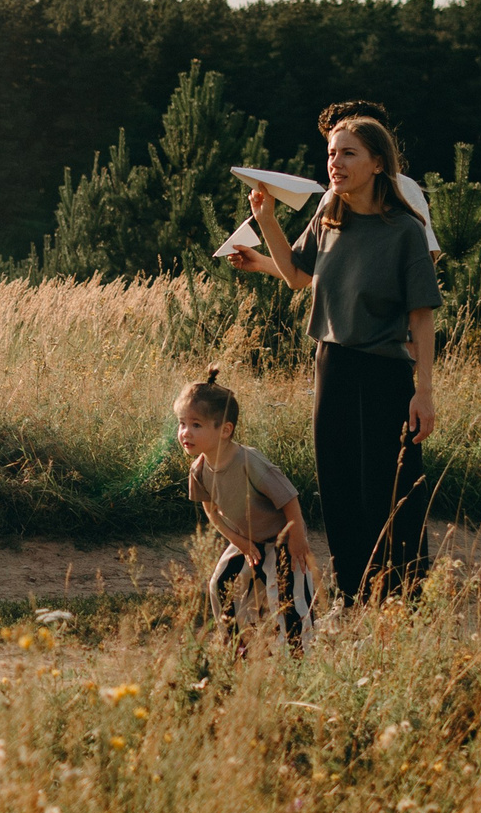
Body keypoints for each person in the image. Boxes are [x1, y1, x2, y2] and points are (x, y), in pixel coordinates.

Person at [226, 110, 442, 602]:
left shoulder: (405, 231)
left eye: (348, 153)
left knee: (390, 490)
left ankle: (403, 600)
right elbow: (297, 276)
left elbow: (422, 315)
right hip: (332, 366)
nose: (335, 163)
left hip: (386, 372)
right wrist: (266, 219)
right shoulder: (328, 216)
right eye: (331, 153)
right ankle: (353, 596)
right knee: (339, 487)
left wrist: (424, 392)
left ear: (378, 163)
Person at [176, 367, 314, 647]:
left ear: (225, 430)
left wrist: (297, 539)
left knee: (287, 600)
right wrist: (240, 542)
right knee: (222, 585)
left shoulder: (249, 462)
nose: (185, 432)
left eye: (196, 425)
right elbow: (212, 513)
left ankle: (300, 657)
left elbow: (289, 498)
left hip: (282, 541)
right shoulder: (199, 470)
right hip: (246, 541)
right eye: (182, 423)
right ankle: (240, 649)